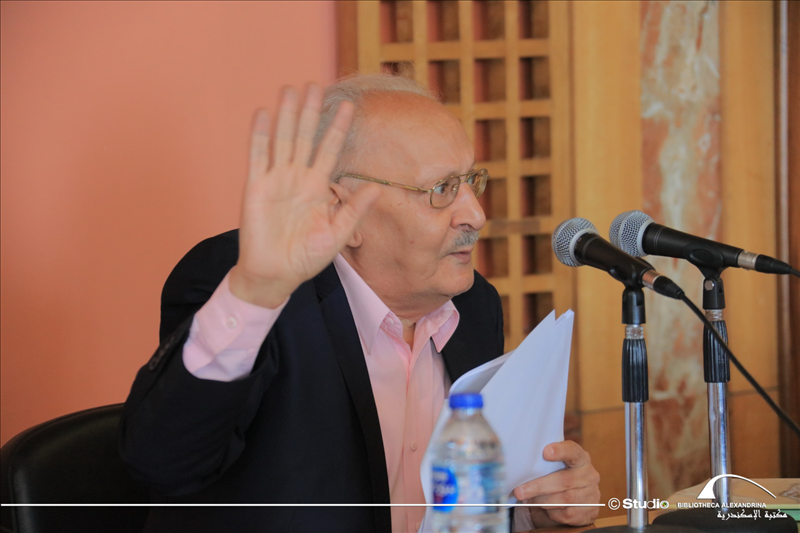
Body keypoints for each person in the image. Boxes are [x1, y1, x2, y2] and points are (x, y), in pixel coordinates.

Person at [120, 74, 600, 533]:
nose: (475, 214)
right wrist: (253, 295)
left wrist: (530, 509)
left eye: (471, 180)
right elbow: (163, 464)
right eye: (441, 189)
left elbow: (459, 502)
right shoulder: (252, 288)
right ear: (340, 209)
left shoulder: (474, 306)